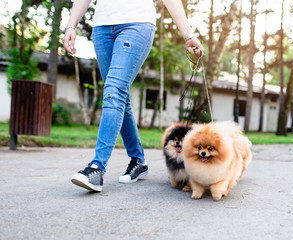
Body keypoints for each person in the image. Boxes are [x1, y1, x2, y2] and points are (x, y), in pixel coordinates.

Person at [63, 0, 204, 192]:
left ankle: (96, 167)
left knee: (114, 91)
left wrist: (188, 34)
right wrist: (71, 25)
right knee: (119, 95)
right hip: (102, 27)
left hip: (137, 23)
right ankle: (138, 160)